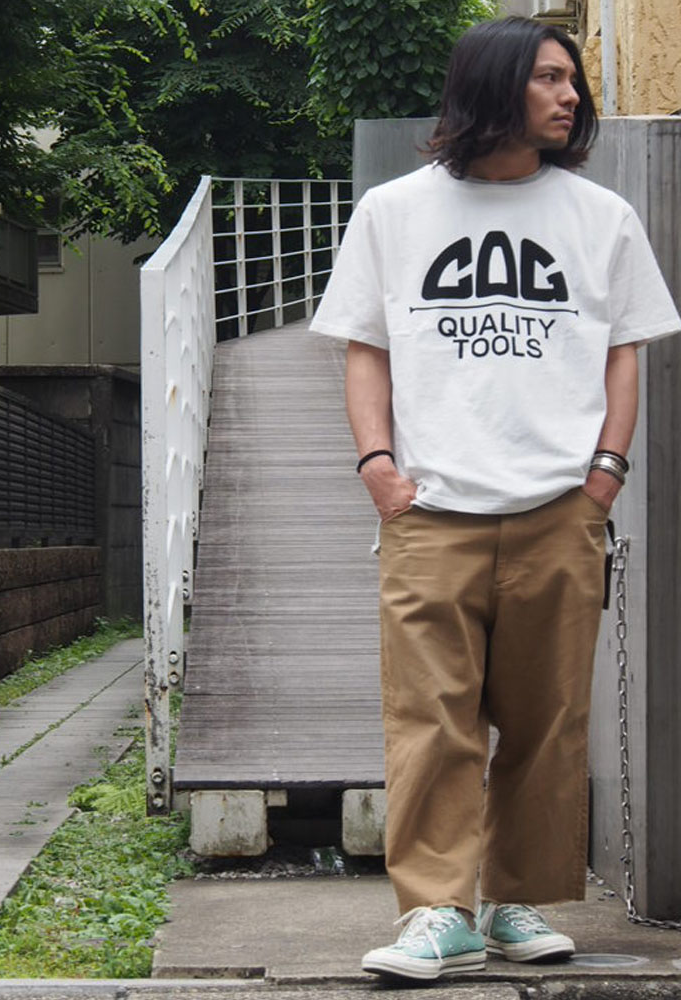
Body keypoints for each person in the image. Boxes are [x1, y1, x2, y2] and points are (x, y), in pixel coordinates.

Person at [310, 15, 681, 984]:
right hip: (430, 508)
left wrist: (606, 472)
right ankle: (436, 909)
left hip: (559, 505)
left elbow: (624, 351)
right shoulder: (395, 211)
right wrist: (376, 464)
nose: (570, 95)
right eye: (549, 77)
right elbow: (364, 348)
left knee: (546, 719)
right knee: (429, 717)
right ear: (493, 85)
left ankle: (516, 900)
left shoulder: (601, 217)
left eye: (572, 79)